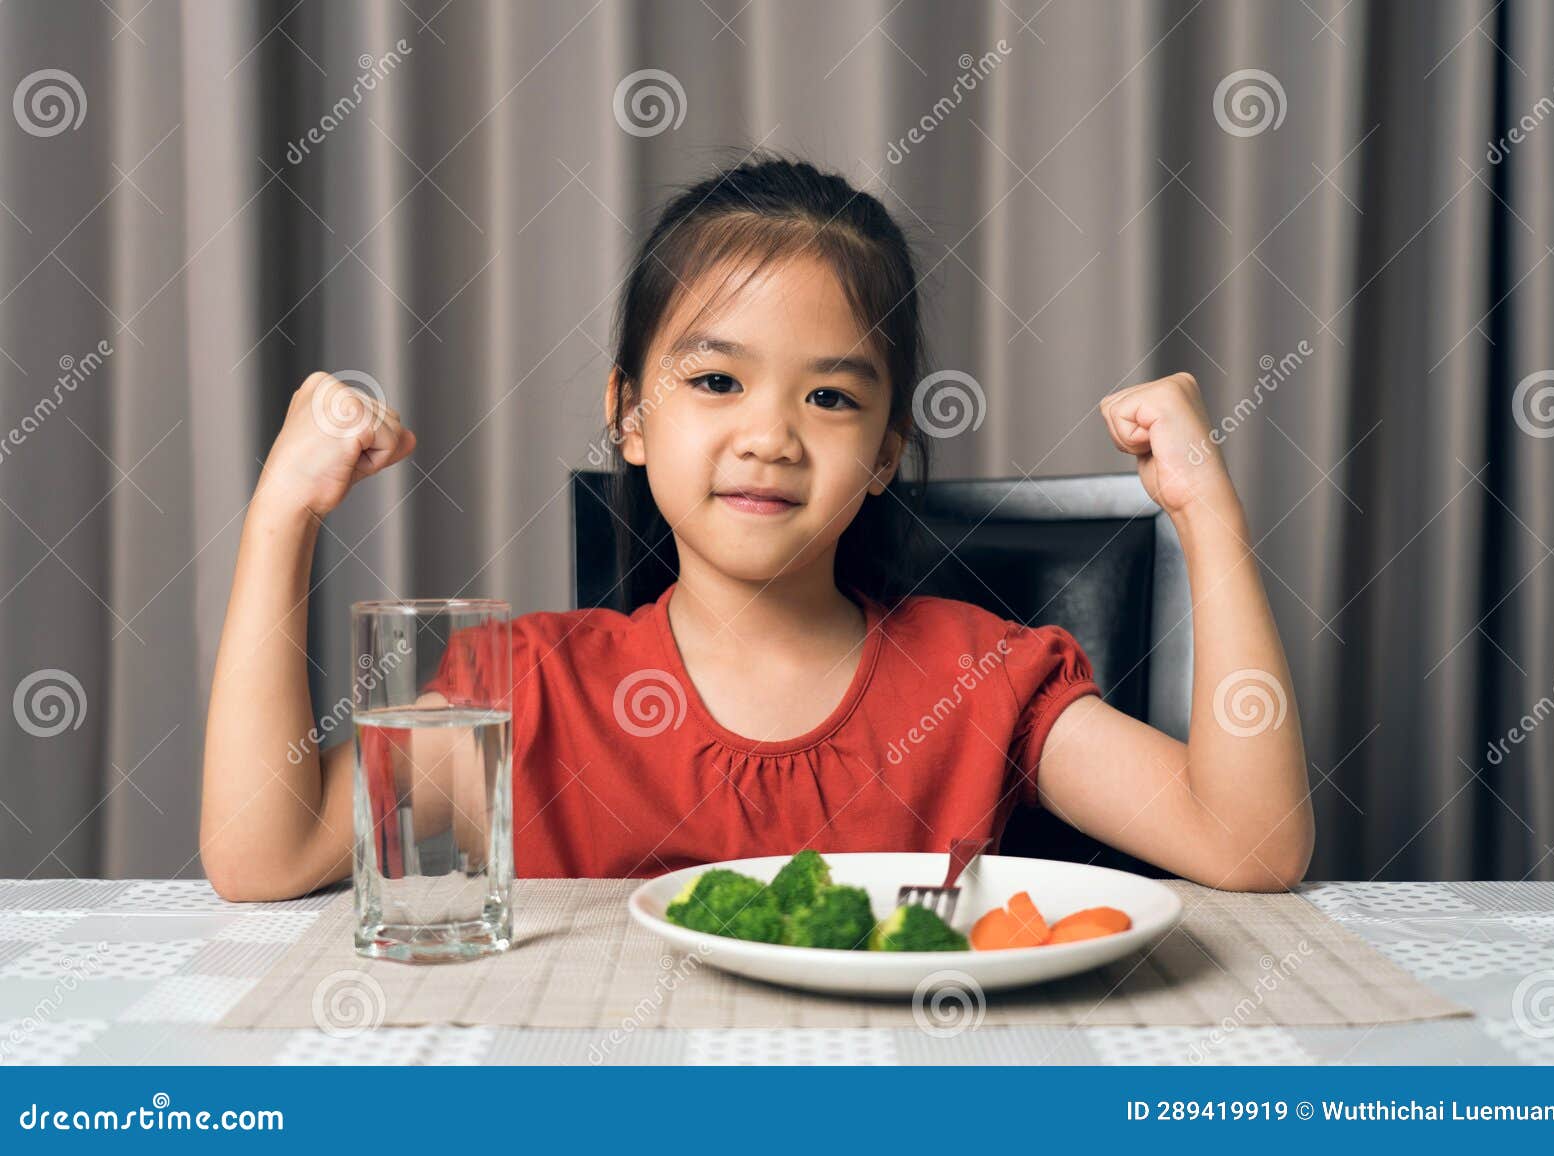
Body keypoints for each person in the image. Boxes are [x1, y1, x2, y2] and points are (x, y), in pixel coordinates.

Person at [199, 155, 1313, 900]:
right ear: (629, 415)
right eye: (717, 379)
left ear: (885, 452)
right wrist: (281, 514)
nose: (771, 434)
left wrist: (1202, 505)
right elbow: (265, 852)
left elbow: (1249, 846)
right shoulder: (528, 692)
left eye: (831, 397)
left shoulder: (978, 680)